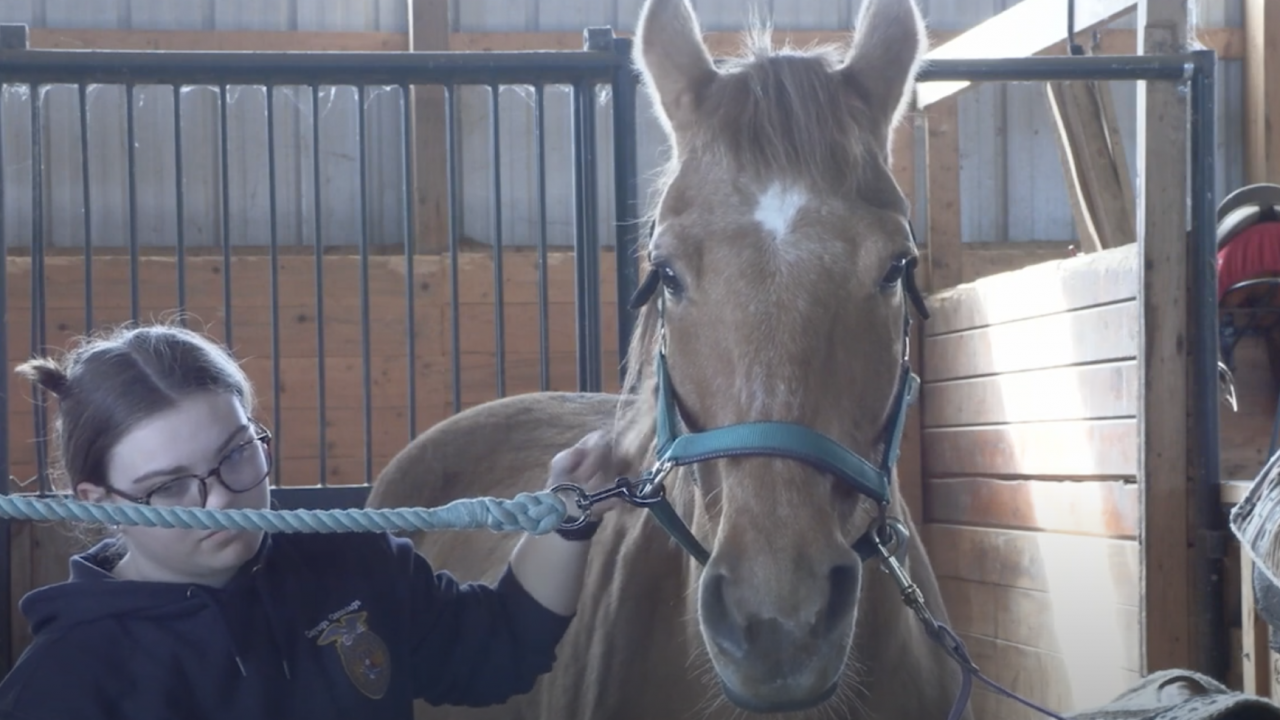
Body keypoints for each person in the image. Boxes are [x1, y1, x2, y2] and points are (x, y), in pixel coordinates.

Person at [0, 321, 624, 720]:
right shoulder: (66, 683)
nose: (219, 500)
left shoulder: (353, 562)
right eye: (168, 488)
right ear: (97, 501)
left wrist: (566, 520)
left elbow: (498, 652)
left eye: (236, 454)